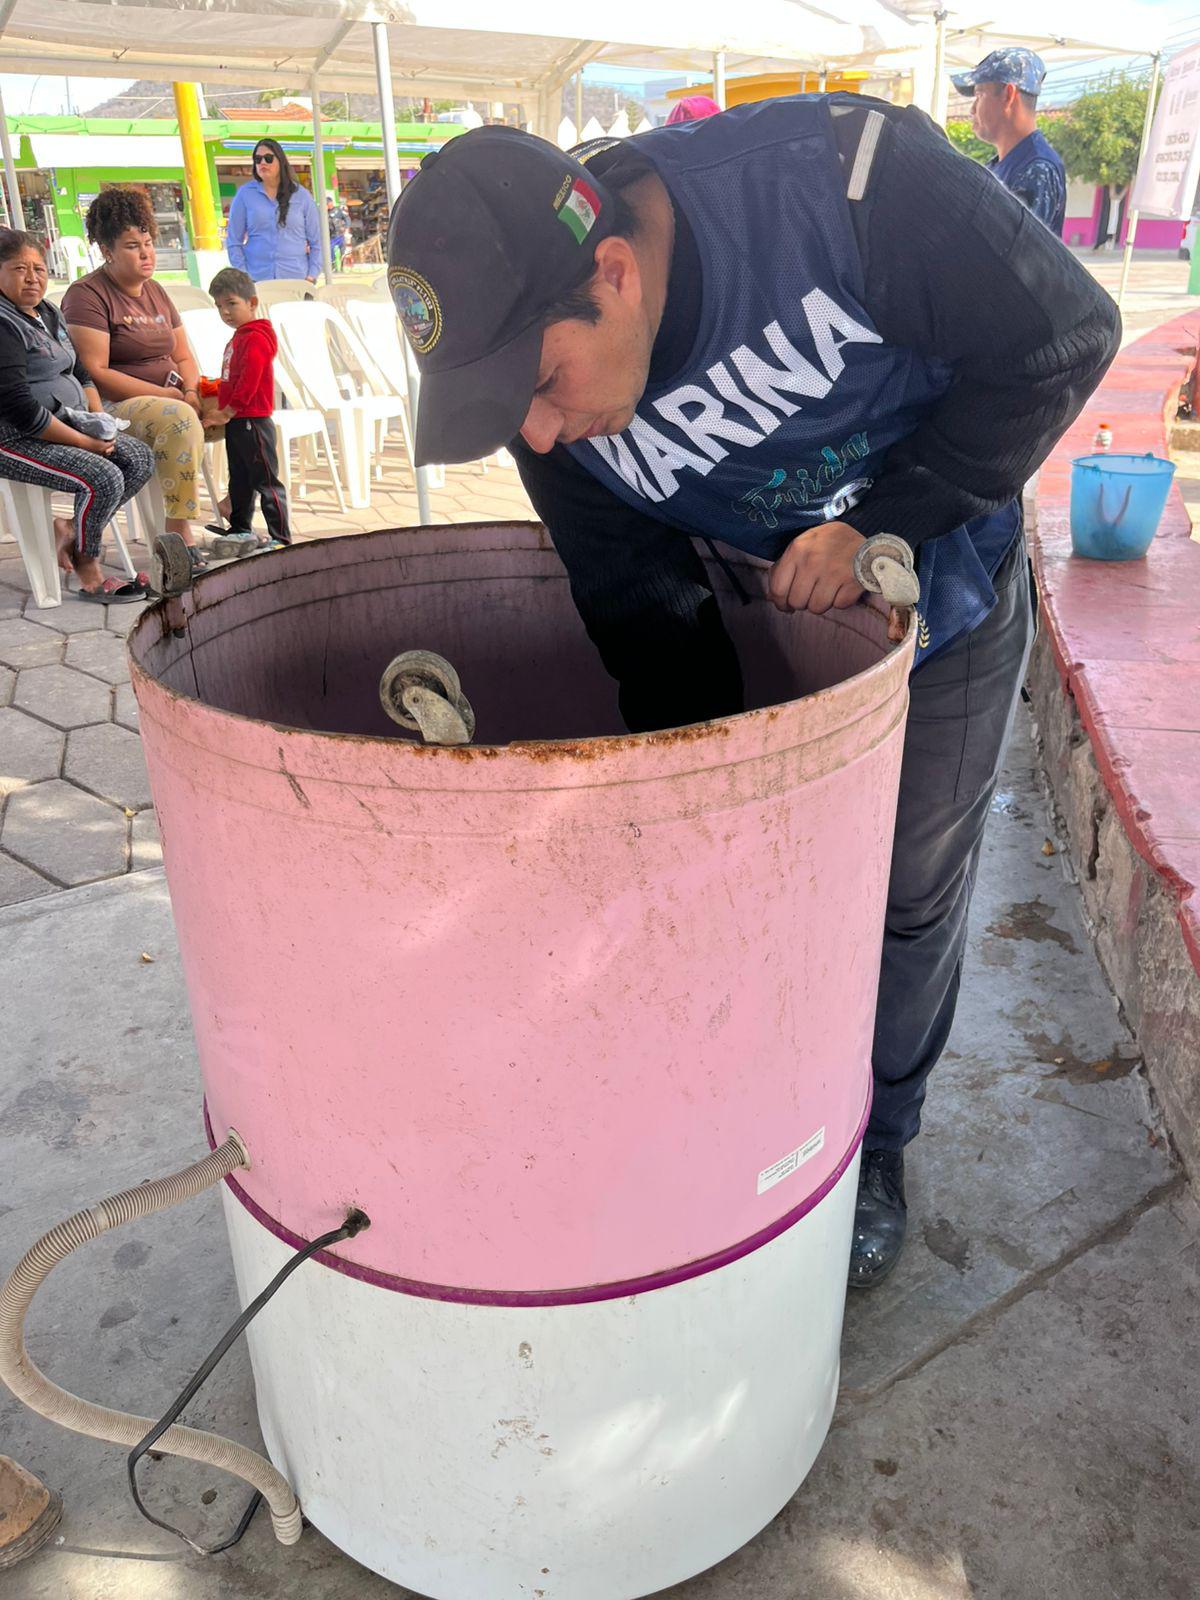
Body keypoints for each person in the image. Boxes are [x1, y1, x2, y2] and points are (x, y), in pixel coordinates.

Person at [387, 103, 1120, 1287]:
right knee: (741, 892)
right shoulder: (544, 395)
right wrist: (699, 794)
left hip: (937, 588)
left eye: (539, 385)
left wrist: (887, 520)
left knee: (910, 893)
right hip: (760, 614)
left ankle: (877, 1144)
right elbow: (634, 593)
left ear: (613, 274)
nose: (536, 429)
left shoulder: (849, 189)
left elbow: (1065, 339)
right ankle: (759, 1120)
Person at [0, 227, 152, 602]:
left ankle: (70, 528)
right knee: (101, 475)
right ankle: (89, 565)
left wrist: (101, 425)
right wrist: (86, 443)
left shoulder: (47, 312)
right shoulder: (3, 324)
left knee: (138, 457)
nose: (33, 278)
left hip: (67, 424)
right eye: (20, 269)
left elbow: (81, 373)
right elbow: (20, 409)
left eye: (39, 268)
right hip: (13, 438)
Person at [62, 186, 209, 570]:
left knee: (247, 408)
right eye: (131, 246)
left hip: (175, 393)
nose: (145, 253)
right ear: (107, 251)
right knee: (177, 420)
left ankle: (237, 513)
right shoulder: (87, 295)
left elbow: (183, 353)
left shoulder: (156, 291)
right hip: (118, 406)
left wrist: (191, 389)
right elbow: (97, 373)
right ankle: (177, 530)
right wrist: (171, 396)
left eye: (147, 243)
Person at [203, 266, 291, 549]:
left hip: (252, 419)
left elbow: (250, 378)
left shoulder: (255, 337)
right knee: (239, 478)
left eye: (232, 303)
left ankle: (280, 536)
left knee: (266, 480)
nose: (225, 312)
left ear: (252, 303)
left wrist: (227, 410)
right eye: (219, 306)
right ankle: (240, 527)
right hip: (238, 421)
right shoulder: (240, 336)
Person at [952, 48, 1067, 236]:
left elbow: (1014, 257)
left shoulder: (1037, 169)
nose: (972, 110)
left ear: (1008, 95)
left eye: (979, 95)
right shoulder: (1001, 165)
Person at [226, 140, 320, 283]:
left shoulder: (301, 195)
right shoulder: (245, 195)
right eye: (258, 159)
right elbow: (233, 241)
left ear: (280, 161)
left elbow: (317, 241)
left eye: (268, 158)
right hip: (257, 280)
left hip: (297, 279)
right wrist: (244, 275)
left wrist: (312, 275)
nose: (262, 163)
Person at [326, 192, 351, 270]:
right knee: (331, 252)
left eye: (328, 204)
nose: (327, 205)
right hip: (331, 236)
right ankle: (333, 267)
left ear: (331, 203)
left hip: (340, 235)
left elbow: (347, 218)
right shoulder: (325, 213)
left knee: (342, 251)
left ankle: (342, 267)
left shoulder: (338, 210)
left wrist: (347, 228)